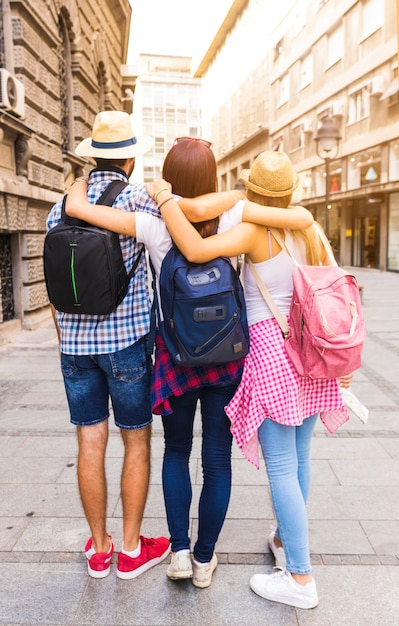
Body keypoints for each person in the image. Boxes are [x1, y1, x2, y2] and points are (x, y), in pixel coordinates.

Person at [65, 139, 314, 588]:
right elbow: (297, 217)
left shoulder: (153, 223)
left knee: (177, 452)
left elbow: (83, 212)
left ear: (170, 177)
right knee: (217, 459)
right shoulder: (238, 216)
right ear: (213, 179)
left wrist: (81, 183)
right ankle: (203, 560)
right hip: (226, 357)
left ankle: (179, 552)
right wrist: (238, 196)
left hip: (176, 357)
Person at [148, 151, 352, 609]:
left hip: (273, 351)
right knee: (300, 458)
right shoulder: (309, 227)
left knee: (281, 465)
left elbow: (197, 249)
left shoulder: (255, 227)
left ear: (254, 190)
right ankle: (284, 541)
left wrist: (162, 197)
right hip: (309, 350)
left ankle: (299, 578)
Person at [46, 110, 177, 581]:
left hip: (75, 347)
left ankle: (99, 549)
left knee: (89, 439)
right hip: (126, 343)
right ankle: (130, 548)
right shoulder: (141, 200)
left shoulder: (61, 206)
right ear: (130, 158)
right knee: (136, 439)